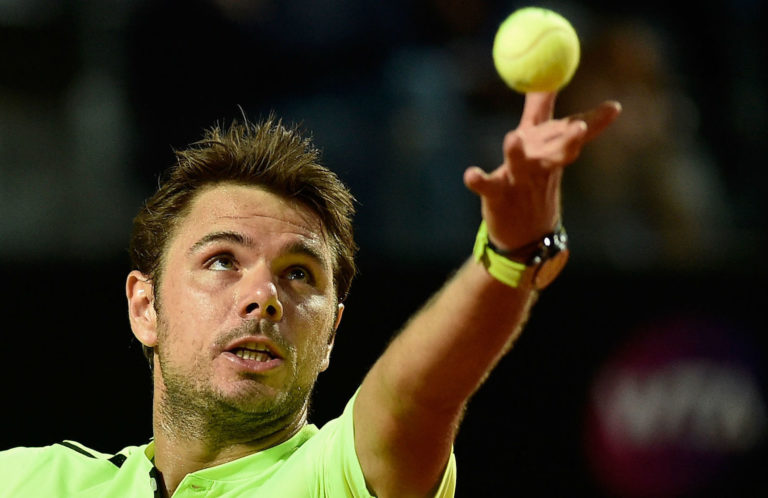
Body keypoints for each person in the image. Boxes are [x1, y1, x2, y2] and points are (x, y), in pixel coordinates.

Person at [0, 92, 620, 497]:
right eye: (222, 260)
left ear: (330, 335)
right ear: (145, 307)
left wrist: (508, 257)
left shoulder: (336, 479)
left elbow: (413, 399)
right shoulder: (36, 481)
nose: (263, 296)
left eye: (300, 274)